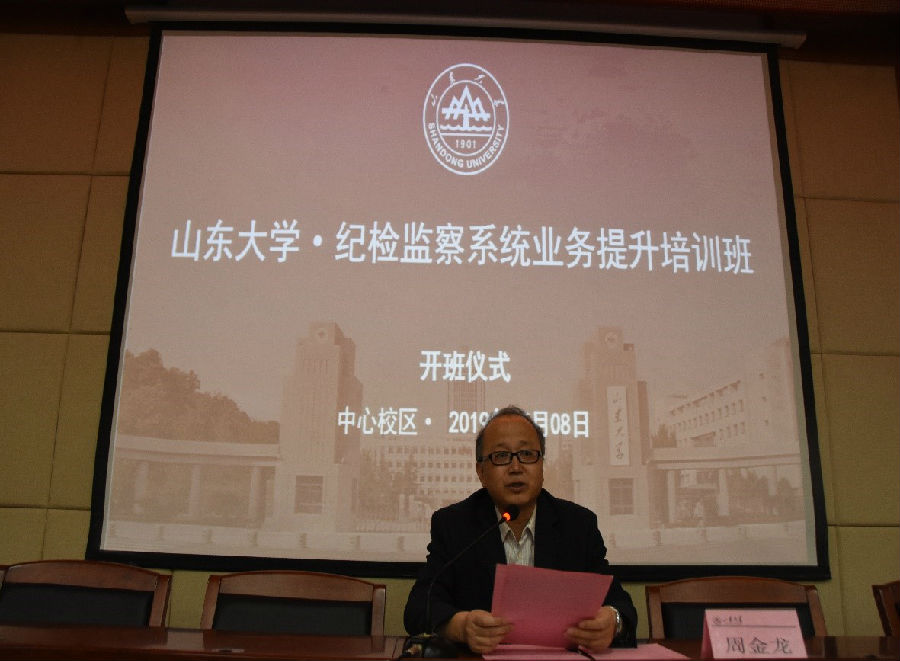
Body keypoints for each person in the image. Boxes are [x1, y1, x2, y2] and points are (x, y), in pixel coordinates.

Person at [404, 405, 637, 654]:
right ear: (481, 471)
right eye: (501, 456)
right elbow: (419, 607)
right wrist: (461, 627)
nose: (516, 467)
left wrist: (613, 622)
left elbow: (620, 605)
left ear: (541, 465)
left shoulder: (577, 525)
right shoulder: (455, 524)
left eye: (527, 454)